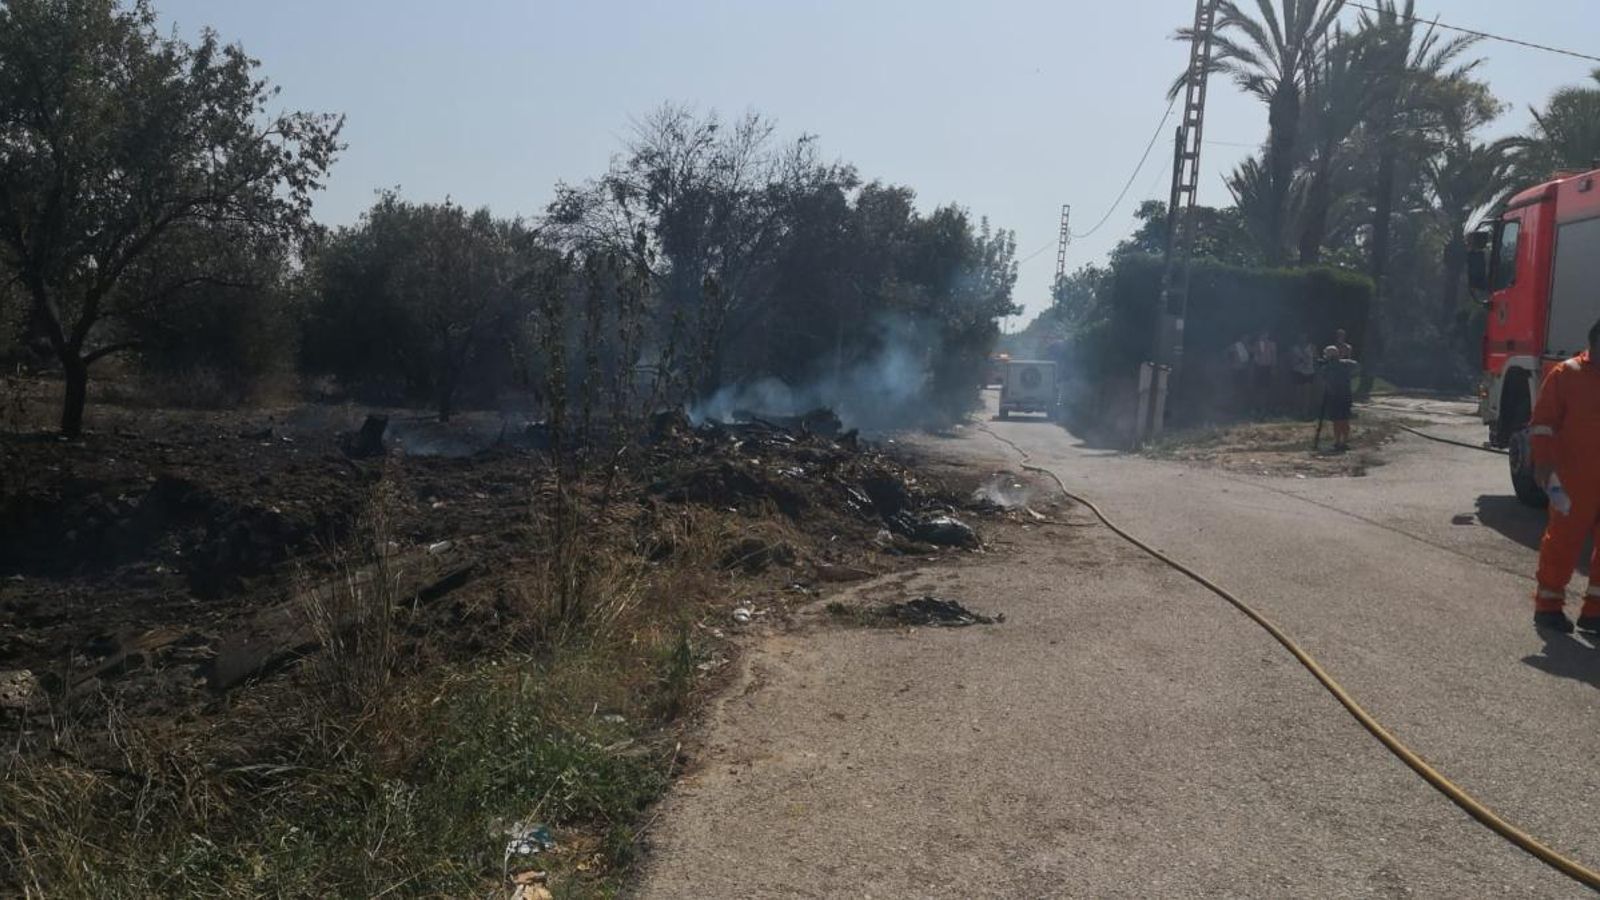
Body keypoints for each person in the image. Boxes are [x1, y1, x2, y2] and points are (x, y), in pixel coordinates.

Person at [1528, 317, 1600, 634]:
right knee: (1562, 540)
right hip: (1569, 478)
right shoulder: (1567, 374)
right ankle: (1548, 606)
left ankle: (1594, 612)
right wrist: (1542, 464)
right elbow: (1543, 422)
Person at [1318, 345, 1360, 451]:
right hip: (1345, 394)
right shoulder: (1346, 364)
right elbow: (1357, 366)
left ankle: (1338, 441)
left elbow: (1324, 382)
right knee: (1344, 419)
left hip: (1334, 396)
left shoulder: (1326, 368)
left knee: (1337, 420)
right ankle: (1344, 441)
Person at [1290, 334, 1318, 415]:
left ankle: (1305, 410)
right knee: (1297, 392)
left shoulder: (1312, 347)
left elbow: (1316, 357)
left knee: (1307, 392)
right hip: (1297, 371)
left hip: (1309, 371)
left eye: (1304, 337)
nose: (1302, 338)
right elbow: (1292, 360)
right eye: (1301, 337)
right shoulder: (1294, 348)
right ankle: (1296, 410)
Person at [1227, 334, 1251, 402]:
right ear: (1241, 338)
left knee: (1243, 386)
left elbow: (1251, 353)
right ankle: (1237, 401)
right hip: (1236, 369)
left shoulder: (1246, 346)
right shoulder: (1236, 346)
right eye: (1245, 337)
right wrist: (1230, 363)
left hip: (1243, 370)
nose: (1246, 339)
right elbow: (1227, 352)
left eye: (1247, 338)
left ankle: (1242, 401)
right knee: (1237, 386)